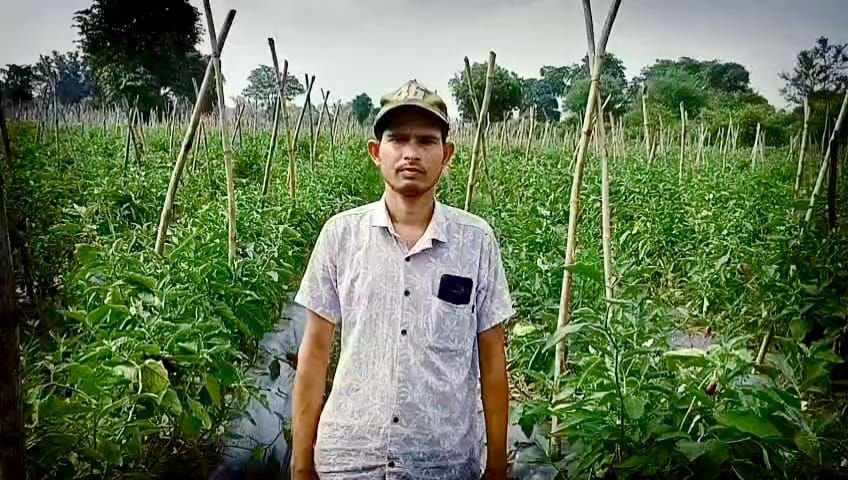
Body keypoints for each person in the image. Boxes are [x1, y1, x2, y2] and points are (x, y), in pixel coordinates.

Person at [291, 80, 515, 480]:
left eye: (426, 141)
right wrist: (300, 461)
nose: (411, 153)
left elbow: (493, 357)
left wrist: (496, 463)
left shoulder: (476, 241)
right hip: (349, 458)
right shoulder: (341, 235)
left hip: (444, 461)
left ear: (447, 155)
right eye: (398, 139)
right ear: (376, 152)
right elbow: (315, 353)